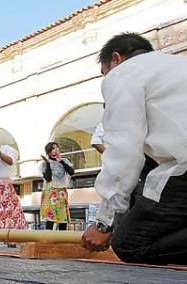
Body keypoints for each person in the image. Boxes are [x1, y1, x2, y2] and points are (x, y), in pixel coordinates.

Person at [81, 33, 187, 265]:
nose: (106, 78)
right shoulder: (178, 64)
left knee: (129, 242)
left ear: (116, 58)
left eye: (104, 71)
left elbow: (124, 149)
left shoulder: (123, 74)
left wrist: (104, 223)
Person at [39, 142, 74, 231]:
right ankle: (48, 240)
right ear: (48, 152)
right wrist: (47, 163)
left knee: (63, 218)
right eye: (53, 148)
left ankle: (62, 239)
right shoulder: (43, 163)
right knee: (50, 217)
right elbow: (47, 178)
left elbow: (71, 172)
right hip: (50, 191)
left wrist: (61, 161)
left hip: (61, 191)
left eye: (57, 147)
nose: (56, 150)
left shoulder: (65, 160)